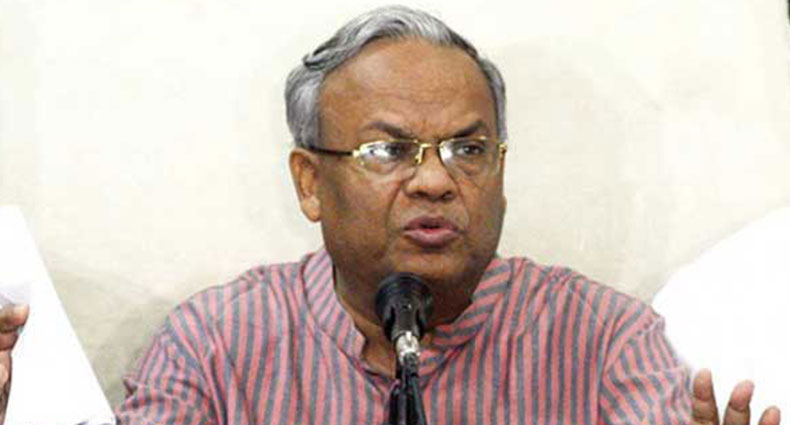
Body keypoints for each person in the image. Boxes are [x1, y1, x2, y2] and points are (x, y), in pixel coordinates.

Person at [0, 6, 781, 425]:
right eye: (388, 151)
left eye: (468, 149)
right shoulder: (213, 348)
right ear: (310, 181)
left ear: (501, 172)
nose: (435, 180)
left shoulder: (606, 342)